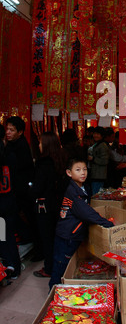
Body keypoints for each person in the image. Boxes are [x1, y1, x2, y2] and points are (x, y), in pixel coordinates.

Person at [49, 157, 114, 290]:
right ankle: (53, 293)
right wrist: (107, 224)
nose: (82, 173)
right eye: (78, 170)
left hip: (71, 233)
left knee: (64, 264)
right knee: (60, 266)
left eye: (84, 169)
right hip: (67, 235)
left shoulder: (81, 187)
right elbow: (87, 213)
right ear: (69, 173)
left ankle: (59, 290)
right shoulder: (74, 192)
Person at [29, 132, 65, 278]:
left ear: (46, 144)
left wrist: (30, 189)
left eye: (41, 142)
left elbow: (37, 187)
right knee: (56, 236)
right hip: (57, 203)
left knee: (47, 237)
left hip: (44, 205)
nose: (38, 145)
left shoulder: (43, 164)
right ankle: (59, 264)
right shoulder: (61, 160)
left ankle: (49, 268)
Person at [3, 116, 36, 252]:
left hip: (20, 188)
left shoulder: (20, 146)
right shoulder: (12, 144)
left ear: (20, 132)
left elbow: (18, 169)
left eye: (12, 130)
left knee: (22, 214)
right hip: (16, 188)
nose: (8, 132)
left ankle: (28, 238)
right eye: (7, 129)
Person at [0, 125, 21, 280]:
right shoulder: (11, 155)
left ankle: (8, 266)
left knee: (3, 236)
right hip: (9, 200)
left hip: (2, 203)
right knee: (8, 235)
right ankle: (13, 266)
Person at [89, 127, 114, 194]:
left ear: (102, 136)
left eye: (98, 134)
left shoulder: (102, 146)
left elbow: (105, 161)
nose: (95, 135)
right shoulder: (97, 144)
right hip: (96, 175)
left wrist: (93, 159)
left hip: (99, 175)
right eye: (94, 133)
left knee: (96, 195)